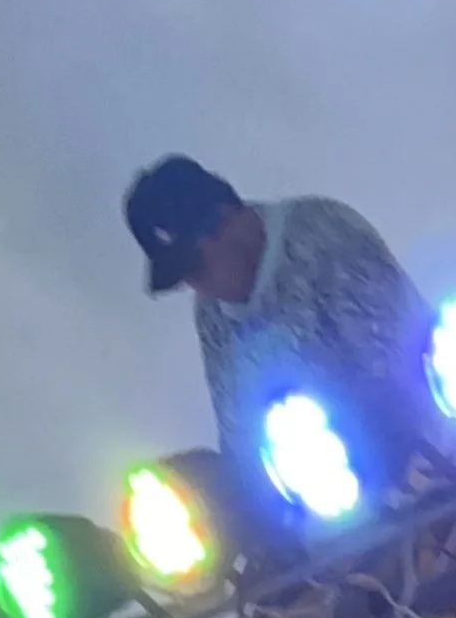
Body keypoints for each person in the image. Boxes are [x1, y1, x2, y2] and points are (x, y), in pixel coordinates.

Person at [123, 154, 432, 478]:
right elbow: (238, 435)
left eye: (195, 265)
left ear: (225, 220)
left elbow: (398, 371)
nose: (195, 283)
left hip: (437, 468)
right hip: (326, 502)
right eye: (184, 276)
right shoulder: (211, 311)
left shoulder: (322, 236)